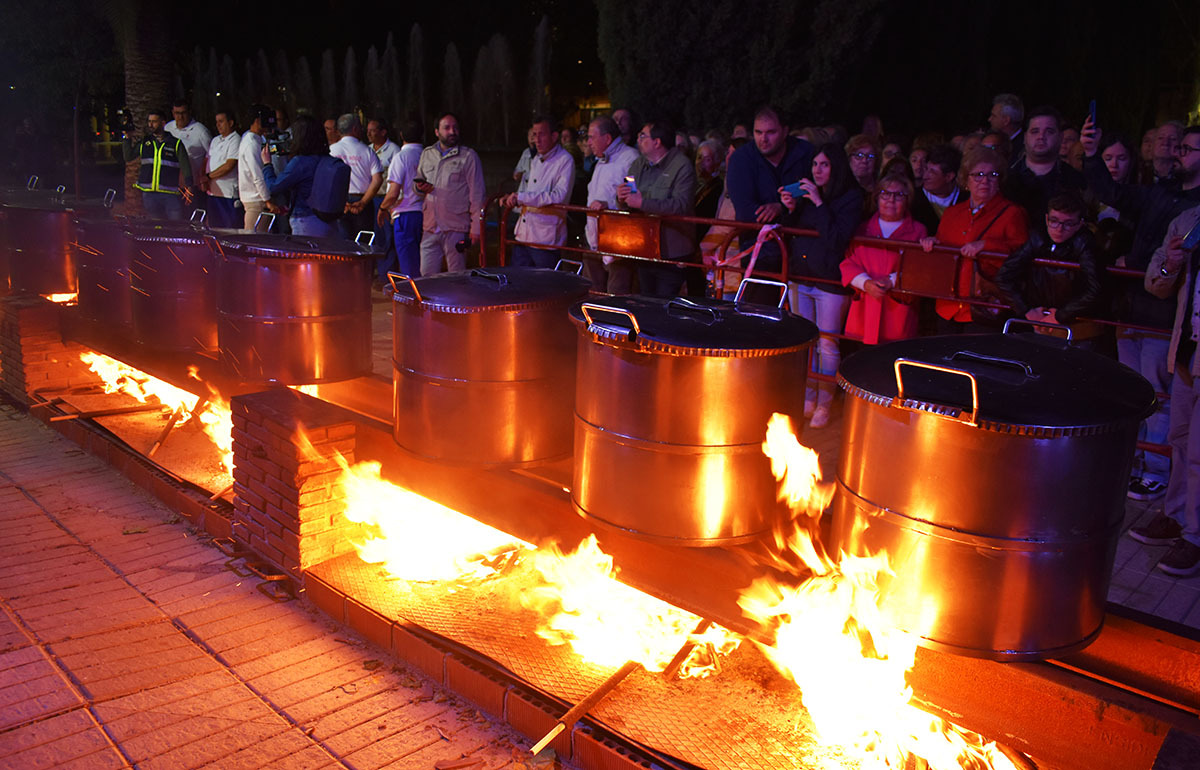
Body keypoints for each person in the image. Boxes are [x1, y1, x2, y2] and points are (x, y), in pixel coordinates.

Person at [1082, 119, 1200, 501]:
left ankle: (1156, 470)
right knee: (1133, 390)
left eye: (1188, 149)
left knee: (1159, 393)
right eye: (1179, 148)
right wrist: (1090, 152)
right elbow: (1112, 192)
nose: (1178, 153)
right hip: (1134, 302)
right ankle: (1132, 463)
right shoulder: (1160, 193)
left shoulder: (1196, 209)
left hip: (1167, 314)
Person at [778, 142, 863, 429]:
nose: (817, 170)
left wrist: (818, 202)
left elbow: (837, 238)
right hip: (801, 276)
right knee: (807, 340)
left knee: (827, 342)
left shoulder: (850, 198)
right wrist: (790, 209)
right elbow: (794, 232)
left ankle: (825, 403)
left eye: (824, 164)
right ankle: (809, 397)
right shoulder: (806, 196)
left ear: (836, 167)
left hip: (829, 281)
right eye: (815, 165)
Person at [1135, 203, 1200, 575]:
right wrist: (1170, 264)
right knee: (1179, 439)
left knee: (1197, 452)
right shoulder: (1189, 220)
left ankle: (1194, 536)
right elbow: (1155, 283)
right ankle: (1175, 515)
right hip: (1187, 353)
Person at [920, 146, 1029, 331]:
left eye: (992, 175)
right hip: (948, 307)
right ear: (966, 180)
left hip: (985, 309)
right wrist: (932, 244)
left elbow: (1022, 257)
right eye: (977, 175)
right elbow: (942, 254)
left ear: (999, 180)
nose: (984, 181)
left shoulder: (1013, 213)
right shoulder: (952, 213)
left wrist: (987, 246)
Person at [994, 191, 1106, 349]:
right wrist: (1026, 310)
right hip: (1042, 325)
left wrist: (1060, 315)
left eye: (1068, 223)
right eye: (1054, 221)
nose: (1059, 229)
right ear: (1046, 219)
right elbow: (1004, 276)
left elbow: (1096, 290)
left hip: (1079, 330)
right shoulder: (1038, 238)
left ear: (1080, 224)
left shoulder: (1086, 245)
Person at [841, 172, 927, 347]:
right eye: (885, 194)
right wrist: (865, 283)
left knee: (892, 360)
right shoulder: (862, 228)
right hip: (865, 310)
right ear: (877, 198)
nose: (891, 199)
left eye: (899, 195)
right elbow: (849, 262)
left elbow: (920, 268)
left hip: (896, 310)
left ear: (908, 200)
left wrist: (891, 281)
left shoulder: (918, 231)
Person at [726, 106, 814, 278]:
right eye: (758, 132)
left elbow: (814, 197)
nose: (763, 139)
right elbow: (747, 212)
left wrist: (781, 206)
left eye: (771, 132)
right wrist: (788, 210)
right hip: (758, 252)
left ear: (785, 131)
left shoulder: (806, 153)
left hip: (803, 251)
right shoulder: (741, 159)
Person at [617, 120, 696, 297]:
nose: (638, 139)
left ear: (657, 142)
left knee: (664, 303)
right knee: (646, 299)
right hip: (644, 246)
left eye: (643, 136)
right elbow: (630, 195)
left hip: (672, 251)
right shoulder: (638, 165)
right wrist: (621, 197)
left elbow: (681, 204)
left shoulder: (682, 166)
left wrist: (643, 203)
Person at [415, 113, 486, 275]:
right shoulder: (427, 154)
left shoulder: (468, 157)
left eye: (455, 128)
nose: (452, 131)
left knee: (456, 277)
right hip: (430, 227)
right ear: (436, 132)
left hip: (455, 226)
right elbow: (417, 188)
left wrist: (476, 228)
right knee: (426, 276)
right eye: (447, 128)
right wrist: (420, 188)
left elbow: (477, 194)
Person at [500, 116, 575, 268]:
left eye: (542, 134)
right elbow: (530, 193)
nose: (537, 140)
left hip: (545, 240)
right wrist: (513, 200)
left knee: (545, 287)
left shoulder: (565, 161)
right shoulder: (536, 160)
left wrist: (521, 197)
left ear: (554, 136)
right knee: (518, 283)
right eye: (534, 135)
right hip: (524, 235)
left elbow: (559, 196)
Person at [1003, 106, 1086, 229]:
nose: (1041, 136)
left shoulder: (1075, 180)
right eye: (1035, 131)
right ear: (1025, 137)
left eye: (1049, 131)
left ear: (1060, 137)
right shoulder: (1005, 179)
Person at [584, 115, 639, 292]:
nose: (588, 142)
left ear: (607, 138)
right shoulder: (600, 161)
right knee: (592, 294)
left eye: (592, 137)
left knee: (615, 298)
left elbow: (632, 197)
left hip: (618, 241)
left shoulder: (630, 159)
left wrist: (608, 205)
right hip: (594, 238)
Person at [261, 115, 336, 237]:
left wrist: (267, 164)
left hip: (305, 219)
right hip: (328, 219)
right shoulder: (327, 160)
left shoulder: (300, 162)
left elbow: (274, 187)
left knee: (307, 255)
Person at [123, 107, 194, 221]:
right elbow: (128, 156)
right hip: (149, 193)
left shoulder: (175, 143)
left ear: (162, 123)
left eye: (154, 122)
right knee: (155, 226)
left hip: (170, 193)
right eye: (149, 121)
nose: (150, 125)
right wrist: (127, 138)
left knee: (175, 226)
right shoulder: (145, 142)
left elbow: (185, 165)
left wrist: (189, 185)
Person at [378, 117, 425, 279]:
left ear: (401, 135)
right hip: (427, 214)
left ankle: (411, 300)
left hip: (406, 214)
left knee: (408, 265)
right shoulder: (427, 155)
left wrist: (383, 208)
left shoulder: (401, 157)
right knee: (424, 263)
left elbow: (393, 193)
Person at [329, 114, 383, 241]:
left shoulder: (332, 150)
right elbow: (377, 179)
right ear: (354, 129)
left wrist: (339, 201)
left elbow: (326, 179)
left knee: (341, 244)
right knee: (363, 244)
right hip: (362, 201)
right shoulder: (367, 151)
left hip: (339, 201)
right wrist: (363, 202)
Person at [164, 100, 211, 211]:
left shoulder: (201, 131)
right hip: (170, 185)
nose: (180, 117)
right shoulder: (168, 128)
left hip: (191, 186)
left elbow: (210, 155)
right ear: (172, 113)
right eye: (177, 113)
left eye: (183, 113)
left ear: (189, 112)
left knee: (190, 217)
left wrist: (204, 177)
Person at [237, 105, 279, 232]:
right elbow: (258, 175)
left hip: (258, 200)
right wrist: (268, 200)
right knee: (254, 241)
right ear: (257, 120)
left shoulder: (257, 139)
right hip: (256, 201)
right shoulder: (251, 143)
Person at [367, 118, 400, 277]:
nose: (369, 134)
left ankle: (386, 274)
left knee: (387, 237)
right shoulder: (367, 149)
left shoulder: (394, 150)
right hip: (369, 199)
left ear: (383, 132)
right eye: (368, 130)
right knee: (375, 237)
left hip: (386, 198)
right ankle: (374, 271)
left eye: (372, 130)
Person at [910, 144, 963, 232]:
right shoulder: (913, 199)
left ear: (949, 176)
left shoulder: (966, 201)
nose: (925, 176)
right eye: (926, 169)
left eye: (932, 172)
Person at [204, 110, 241, 229]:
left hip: (227, 195)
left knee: (228, 229)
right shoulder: (215, 140)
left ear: (230, 123)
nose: (218, 125)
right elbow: (206, 160)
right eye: (216, 122)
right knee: (214, 228)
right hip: (212, 193)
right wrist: (203, 179)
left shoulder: (235, 139)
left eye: (221, 121)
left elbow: (229, 165)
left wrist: (209, 176)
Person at [989, 93, 1025, 164]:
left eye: (994, 116)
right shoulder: (996, 141)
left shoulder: (1023, 148)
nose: (989, 119)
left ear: (1006, 120)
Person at [845, 134, 881, 202]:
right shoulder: (841, 190)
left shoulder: (880, 190)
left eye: (870, 156)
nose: (864, 160)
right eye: (859, 155)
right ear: (849, 159)